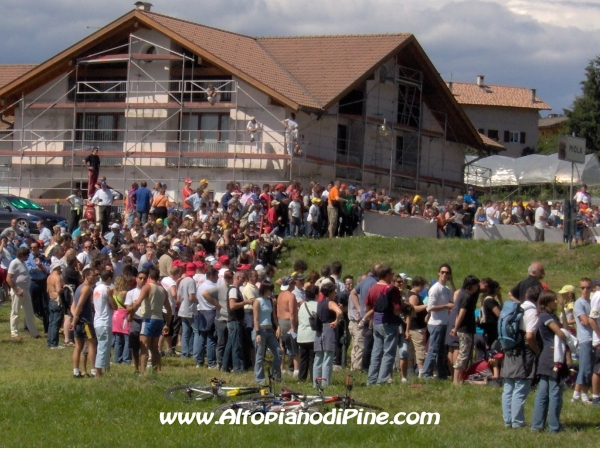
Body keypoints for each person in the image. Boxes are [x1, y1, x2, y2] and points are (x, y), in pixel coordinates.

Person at [501, 286, 540, 429]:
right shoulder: (532, 312)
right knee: (521, 386)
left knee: (508, 386)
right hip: (524, 350)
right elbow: (529, 335)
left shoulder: (517, 308)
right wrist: (537, 351)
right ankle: (517, 422)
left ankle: (507, 420)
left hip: (510, 348)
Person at [531, 290, 568, 433]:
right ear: (547, 302)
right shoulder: (545, 316)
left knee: (543, 392)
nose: (556, 302)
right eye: (554, 300)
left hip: (549, 355)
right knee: (555, 392)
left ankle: (537, 425)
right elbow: (560, 333)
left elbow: (564, 328)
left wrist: (563, 311)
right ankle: (554, 426)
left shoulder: (550, 315)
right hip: (553, 356)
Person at [363, 264, 404, 385]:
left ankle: (371, 380)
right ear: (386, 275)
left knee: (376, 352)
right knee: (388, 353)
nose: (392, 276)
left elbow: (367, 307)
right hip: (389, 322)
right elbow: (396, 310)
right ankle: (382, 381)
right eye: (391, 274)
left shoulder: (372, 288)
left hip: (376, 322)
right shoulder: (392, 289)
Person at [130, 267, 171, 373]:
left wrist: (131, 312)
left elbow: (138, 303)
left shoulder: (147, 287)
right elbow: (169, 309)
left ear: (149, 277)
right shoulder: (163, 290)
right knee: (155, 347)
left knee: (144, 347)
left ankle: (143, 372)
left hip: (148, 319)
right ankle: (157, 370)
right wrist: (168, 323)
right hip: (159, 319)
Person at [421, 264, 454, 379]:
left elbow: (454, 298)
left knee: (441, 351)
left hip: (444, 322)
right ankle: (425, 374)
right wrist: (445, 306)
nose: (444, 274)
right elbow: (430, 307)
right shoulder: (435, 289)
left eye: (447, 273)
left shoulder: (446, 289)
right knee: (433, 349)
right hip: (436, 323)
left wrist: (452, 282)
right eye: (443, 272)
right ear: (438, 273)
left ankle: (442, 374)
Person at [449, 275, 480, 385]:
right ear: (472, 285)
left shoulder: (462, 293)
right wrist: (456, 327)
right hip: (465, 329)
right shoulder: (466, 296)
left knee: (463, 354)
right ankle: (456, 380)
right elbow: (461, 313)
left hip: (462, 328)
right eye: (476, 285)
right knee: (463, 354)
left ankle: (458, 379)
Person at [313, 282, 342, 387]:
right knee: (328, 357)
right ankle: (325, 383)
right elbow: (339, 312)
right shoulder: (330, 302)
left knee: (318, 358)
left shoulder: (320, 302)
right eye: (334, 291)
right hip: (328, 329)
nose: (335, 293)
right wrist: (336, 321)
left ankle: (316, 383)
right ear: (330, 292)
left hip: (319, 329)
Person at [252, 281, 282, 384]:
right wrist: (257, 333)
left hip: (269, 330)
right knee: (260, 355)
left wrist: (278, 327)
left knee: (278, 352)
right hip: (261, 329)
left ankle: (276, 376)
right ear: (265, 289)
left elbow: (274, 316)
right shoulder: (257, 301)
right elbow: (255, 318)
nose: (271, 292)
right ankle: (259, 378)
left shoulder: (270, 301)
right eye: (270, 290)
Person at [7, 247, 40, 340]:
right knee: (15, 312)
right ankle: (14, 332)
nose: (28, 257)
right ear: (22, 255)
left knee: (29, 311)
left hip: (26, 290)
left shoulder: (23, 263)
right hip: (18, 290)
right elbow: (8, 278)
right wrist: (17, 289)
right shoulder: (14, 263)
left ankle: (33, 332)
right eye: (27, 255)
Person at [71, 268, 98, 378]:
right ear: (86, 276)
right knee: (92, 344)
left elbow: (72, 306)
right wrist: (75, 319)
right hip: (85, 322)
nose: (95, 277)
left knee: (78, 346)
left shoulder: (79, 288)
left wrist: (75, 317)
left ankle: (76, 371)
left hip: (79, 322)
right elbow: (79, 305)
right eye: (92, 275)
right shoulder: (87, 288)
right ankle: (93, 371)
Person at [572, 277, 595, 404]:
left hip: (593, 338)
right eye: (583, 287)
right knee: (585, 368)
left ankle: (578, 394)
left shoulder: (592, 302)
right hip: (584, 339)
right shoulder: (579, 303)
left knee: (587, 368)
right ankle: (581, 394)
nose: (585, 290)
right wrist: (592, 321)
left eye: (588, 287)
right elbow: (586, 322)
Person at [196, 267, 221, 369]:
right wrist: (216, 305)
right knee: (211, 338)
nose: (217, 278)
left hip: (202, 311)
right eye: (216, 276)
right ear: (211, 276)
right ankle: (211, 362)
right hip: (211, 312)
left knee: (202, 338)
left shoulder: (200, 286)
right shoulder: (213, 287)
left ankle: (199, 361)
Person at [92, 269, 116, 378]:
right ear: (109, 278)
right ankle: (98, 372)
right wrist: (111, 295)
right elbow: (114, 306)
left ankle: (105, 368)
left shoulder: (96, 288)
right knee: (103, 346)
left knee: (103, 346)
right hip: (105, 320)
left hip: (97, 320)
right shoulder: (107, 290)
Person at [407, 276, 428, 375]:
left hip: (413, 327)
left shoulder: (410, 294)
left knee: (412, 350)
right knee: (420, 349)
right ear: (418, 285)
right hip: (416, 327)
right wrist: (426, 305)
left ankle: (411, 371)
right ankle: (421, 371)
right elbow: (413, 308)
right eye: (422, 285)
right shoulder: (414, 296)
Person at [298, 284, 318, 382]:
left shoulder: (302, 305)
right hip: (312, 335)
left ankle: (301, 378)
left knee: (303, 358)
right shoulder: (317, 305)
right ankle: (312, 378)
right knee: (312, 359)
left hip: (302, 335)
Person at [46, 261, 64, 349]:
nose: (61, 270)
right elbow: (58, 290)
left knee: (51, 322)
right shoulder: (57, 278)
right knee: (56, 323)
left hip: (50, 300)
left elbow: (47, 290)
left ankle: (49, 342)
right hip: (57, 301)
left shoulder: (49, 277)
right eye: (60, 268)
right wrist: (64, 287)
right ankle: (54, 343)